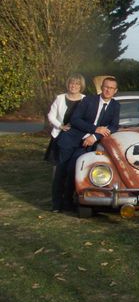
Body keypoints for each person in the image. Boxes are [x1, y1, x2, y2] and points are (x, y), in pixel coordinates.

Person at [54, 76, 120, 212]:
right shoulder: (88, 100)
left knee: (73, 171)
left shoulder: (115, 106)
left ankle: (68, 203)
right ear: (101, 87)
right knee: (61, 172)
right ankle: (56, 204)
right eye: (106, 87)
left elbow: (114, 126)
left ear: (115, 91)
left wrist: (95, 136)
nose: (108, 90)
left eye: (111, 88)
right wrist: (95, 129)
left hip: (86, 144)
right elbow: (75, 119)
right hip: (70, 140)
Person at [45, 74, 86, 164]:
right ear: (68, 84)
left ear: (81, 86)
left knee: (75, 163)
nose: (73, 86)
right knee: (59, 163)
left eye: (77, 84)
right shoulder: (60, 98)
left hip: (78, 136)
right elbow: (51, 115)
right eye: (72, 83)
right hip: (60, 134)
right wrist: (60, 126)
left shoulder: (86, 99)